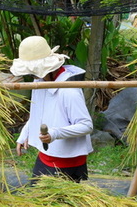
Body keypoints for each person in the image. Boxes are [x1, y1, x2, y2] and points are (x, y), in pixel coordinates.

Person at [11, 36, 93, 182]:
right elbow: (39, 112)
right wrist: (25, 133)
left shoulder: (69, 90)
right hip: (47, 154)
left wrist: (55, 133)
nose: (33, 76)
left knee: (57, 202)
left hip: (66, 160)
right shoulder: (40, 82)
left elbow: (86, 125)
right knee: (38, 199)